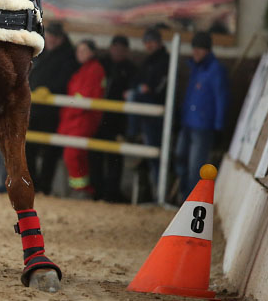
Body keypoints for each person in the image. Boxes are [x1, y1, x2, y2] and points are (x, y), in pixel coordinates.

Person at [25, 21, 78, 195]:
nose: (52, 39)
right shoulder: (41, 52)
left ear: (61, 38)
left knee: (50, 152)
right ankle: (33, 184)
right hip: (36, 108)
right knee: (29, 147)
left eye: (55, 36)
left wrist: (50, 90)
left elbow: (65, 81)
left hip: (54, 111)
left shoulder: (68, 57)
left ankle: (44, 187)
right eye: (50, 36)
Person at [175, 31, 228, 200]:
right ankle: (184, 196)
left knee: (195, 166)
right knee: (180, 157)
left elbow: (222, 98)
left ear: (207, 50)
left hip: (203, 126)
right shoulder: (196, 68)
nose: (195, 52)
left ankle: (191, 200)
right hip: (188, 122)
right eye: (194, 48)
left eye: (200, 49)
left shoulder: (215, 70)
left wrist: (219, 126)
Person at [57, 39, 106, 198]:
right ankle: (81, 190)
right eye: (79, 51)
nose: (80, 54)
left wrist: (70, 109)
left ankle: (81, 190)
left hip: (82, 119)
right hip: (74, 119)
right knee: (76, 155)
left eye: (84, 50)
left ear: (92, 52)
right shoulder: (83, 70)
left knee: (73, 155)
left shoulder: (94, 70)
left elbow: (85, 97)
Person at [90, 35, 136, 202]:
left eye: (121, 49)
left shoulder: (130, 70)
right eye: (115, 47)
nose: (117, 51)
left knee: (114, 159)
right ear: (110, 48)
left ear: (126, 51)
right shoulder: (102, 64)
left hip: (117, 121)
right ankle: (97, 191)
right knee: (95, 156)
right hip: (98, 118)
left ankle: (112, 193)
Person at [127, 27, 170, 199]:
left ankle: (160, 194)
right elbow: (138, 81)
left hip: (155, 115)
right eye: (147, 42)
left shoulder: (164, 61)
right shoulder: (150, 61)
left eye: (152, 42)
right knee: (151, 155)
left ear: (159, 42)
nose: (149, 45)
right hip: (146, 113)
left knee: (155, 155)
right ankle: (157, 193)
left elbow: (159, 87)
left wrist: (147, 90)